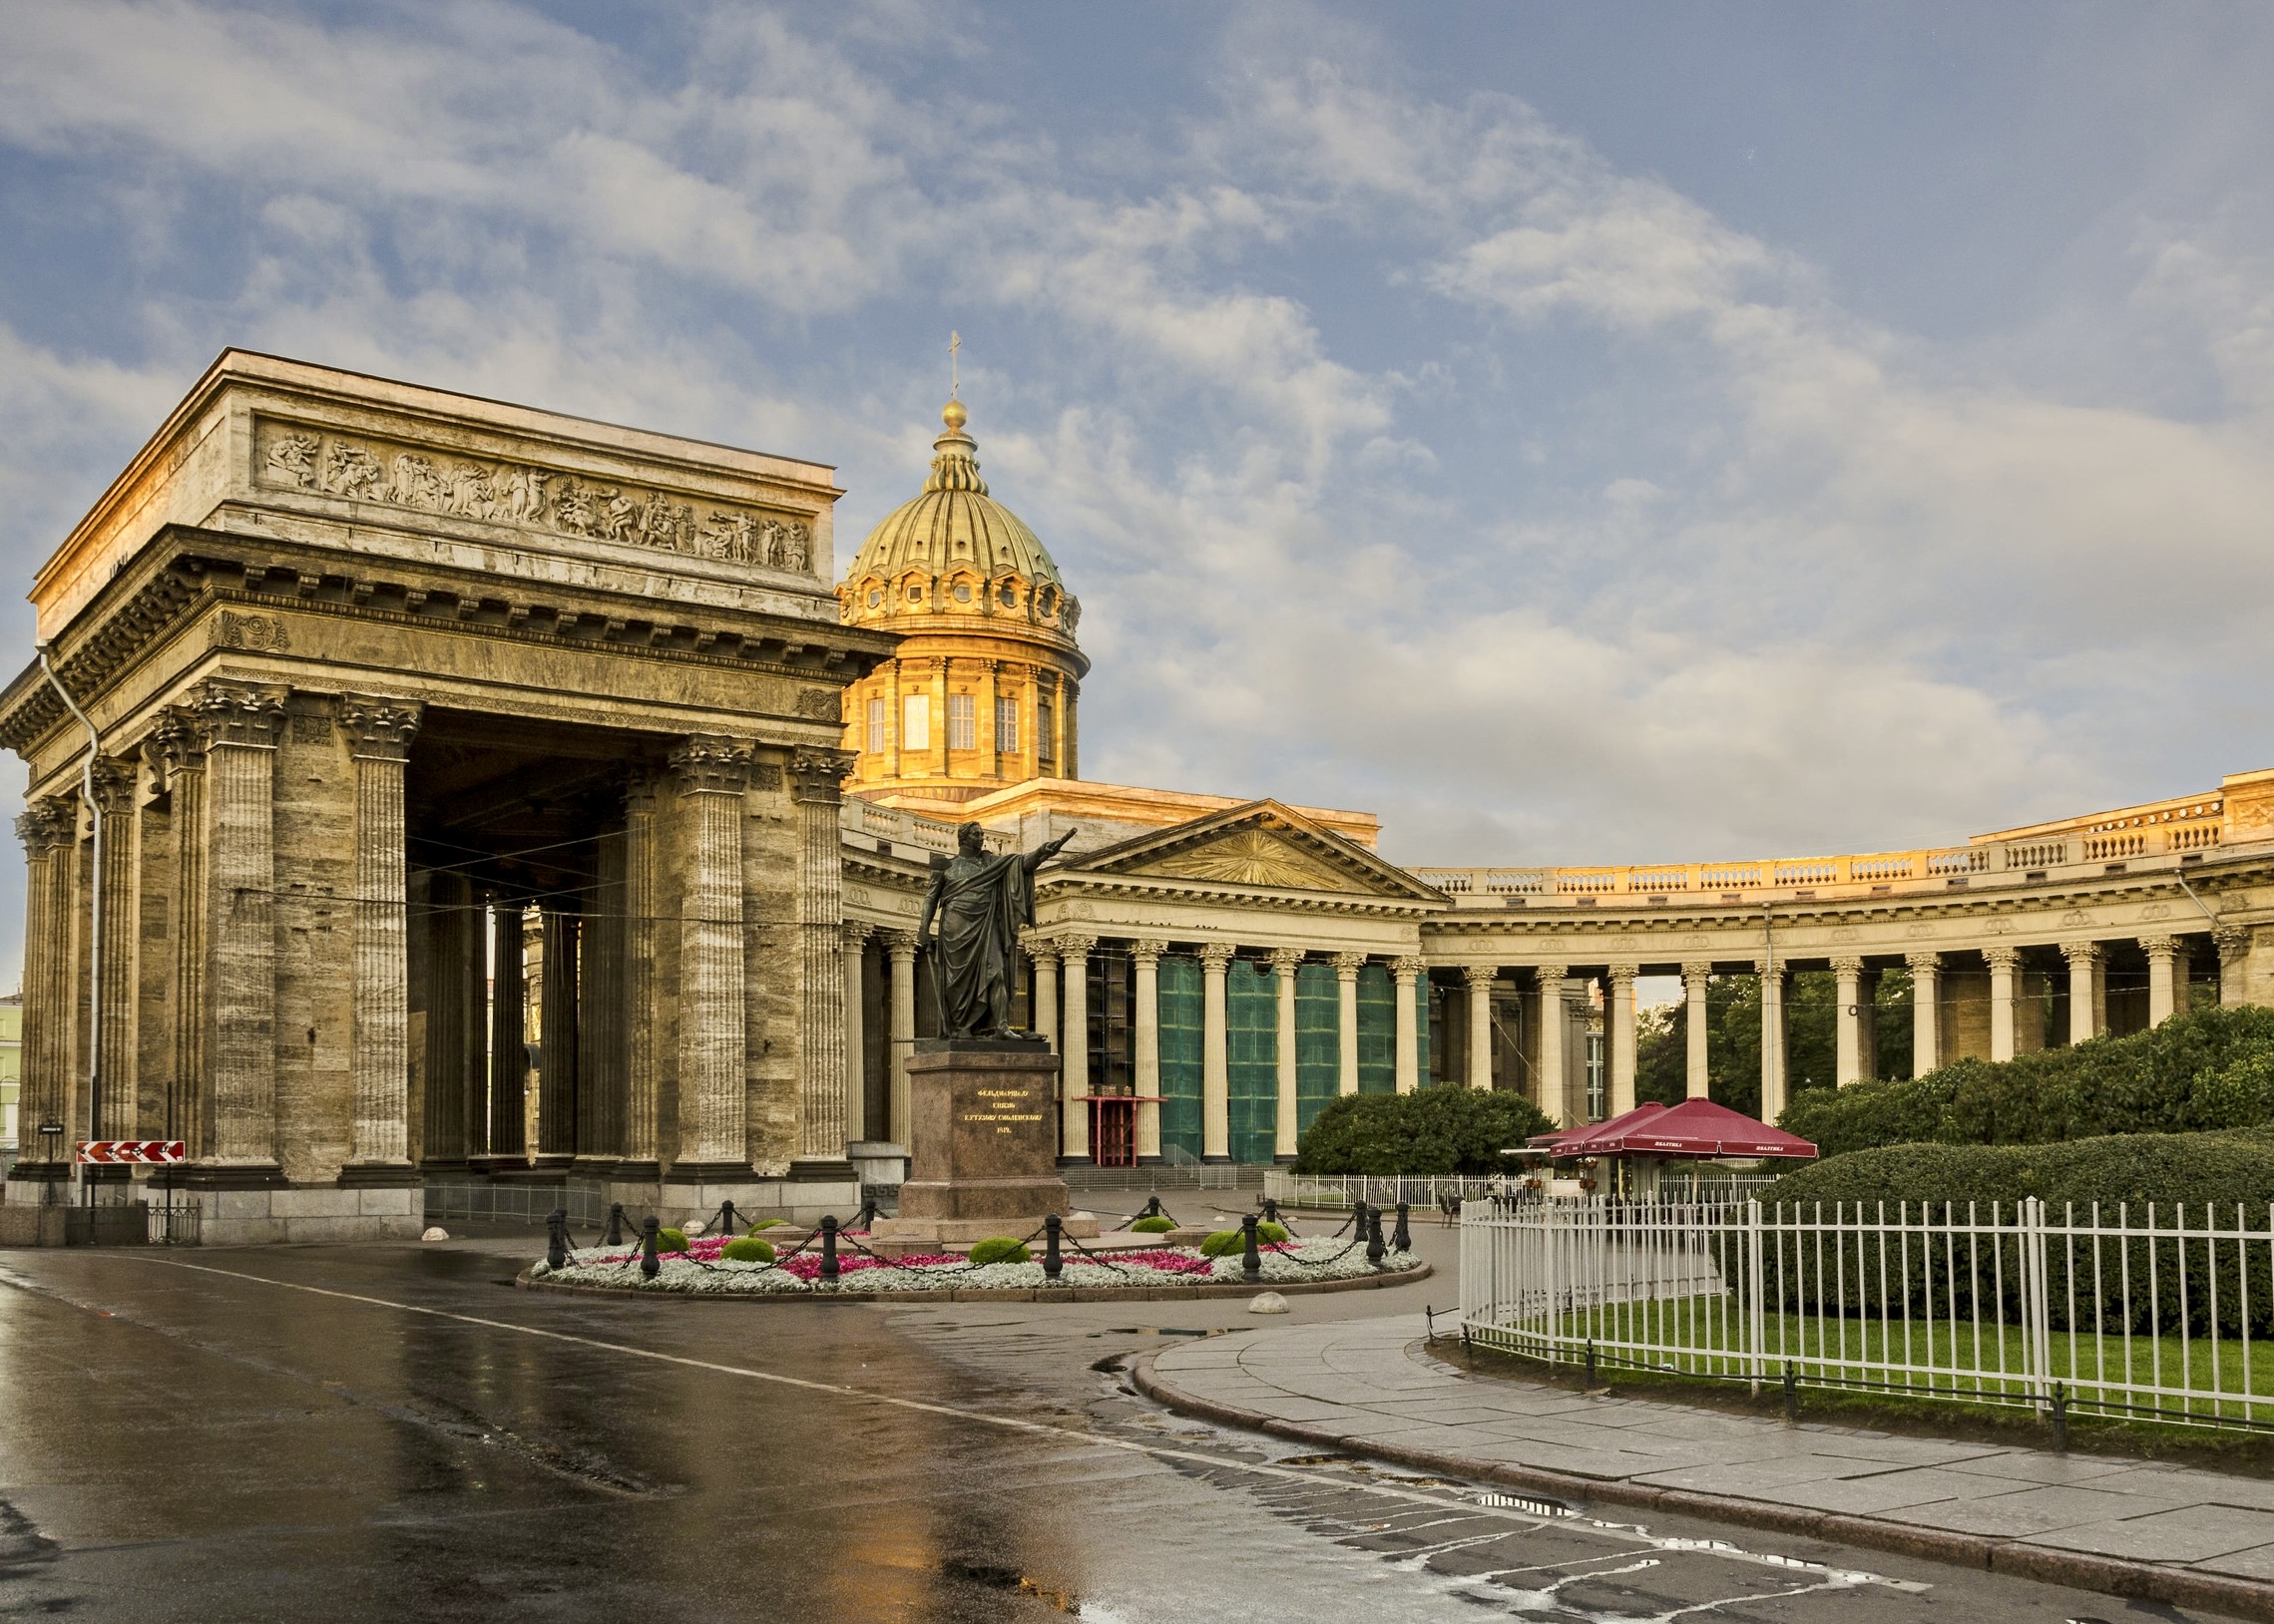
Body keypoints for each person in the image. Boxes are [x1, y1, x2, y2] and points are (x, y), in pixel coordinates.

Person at [916, 822, 1077, 1038]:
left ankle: (1001, 1026)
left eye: (981, 833)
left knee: (997, 973)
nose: (981, 837)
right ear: (963, 838)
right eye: (976, 834)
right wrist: (923, 928)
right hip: (955, 928)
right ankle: (961, 1026)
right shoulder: (945, 865)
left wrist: (1041, 853)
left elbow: (1021, 865)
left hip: (987, 924)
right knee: (958, 981)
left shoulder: (990, 862)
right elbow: (930, 898)